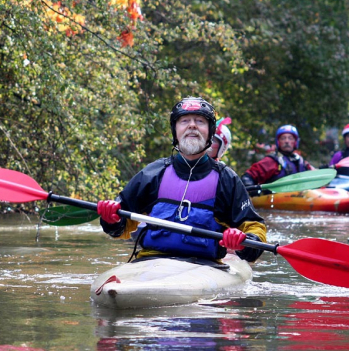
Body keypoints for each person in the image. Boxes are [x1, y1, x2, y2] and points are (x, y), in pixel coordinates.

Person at [96, 97, 267, 263]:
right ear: (175, 131)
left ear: (210, 131)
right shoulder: (154, 173)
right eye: (184, 121)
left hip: (205, 266)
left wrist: (243, 240)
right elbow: (119, 226)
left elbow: (255, 228)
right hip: (151, 261)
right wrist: (112, 219)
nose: (192, 125)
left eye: (200, 121)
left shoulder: (226, 179)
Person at [241, 124, 314, 186]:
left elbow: (315, 173)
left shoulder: (301, 162)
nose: (287, 141)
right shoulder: (271, 161)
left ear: (295, 142)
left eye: (290, 138)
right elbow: (247, 177)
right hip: (276, 200)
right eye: (283, 138)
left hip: (301, 199)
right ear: (278, 142)